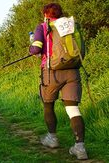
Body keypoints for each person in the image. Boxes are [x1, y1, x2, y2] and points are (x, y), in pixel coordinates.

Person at [29, 3, 88, 160]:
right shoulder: (71, 25)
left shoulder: (43, 26)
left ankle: (52, 138)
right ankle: (80, 147)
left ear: (46, 15)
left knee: (48, 104)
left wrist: (32, 45)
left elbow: (35, 49)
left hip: (52, 73)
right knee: (73, 109)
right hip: (73, 71)